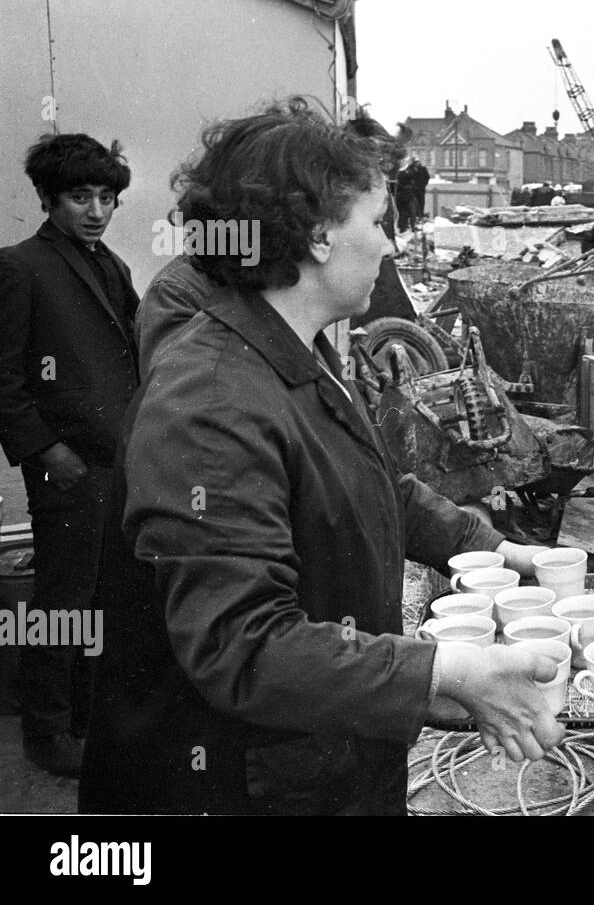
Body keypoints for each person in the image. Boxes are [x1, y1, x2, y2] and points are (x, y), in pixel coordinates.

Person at [80, 98, 564, 814]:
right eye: (378, 223)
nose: (392, 246)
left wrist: (494, 550)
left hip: (319, 760)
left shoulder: (289, 348)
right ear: (316, 236)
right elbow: (243, 644)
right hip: (241, 787)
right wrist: (444, 672)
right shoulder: (211, 401)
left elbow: (370, 482)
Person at [0, 134, 139, 777]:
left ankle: (86, 721)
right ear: (49, 199)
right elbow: (4, 381)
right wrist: (48, 450)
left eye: (106, 197)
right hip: (68, 467)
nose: (96, 210)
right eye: (80, 197)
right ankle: (46, 732)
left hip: (116, 463)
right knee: (61, 602)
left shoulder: (111, 265)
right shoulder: (20, 266)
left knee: (104, 596)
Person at [395, 155, 429, 231]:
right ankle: (405, 225)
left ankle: (415, 222)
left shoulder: (421, 169)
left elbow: (426, 177)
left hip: (414, 192)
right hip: (406, 194)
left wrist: (421, 185)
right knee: (406, 211)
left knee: (416, 208)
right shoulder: (406, 171)